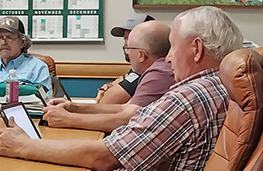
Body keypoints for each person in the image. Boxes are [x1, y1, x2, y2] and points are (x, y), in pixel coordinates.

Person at [0, 7, 243, 171]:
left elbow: (103, 156)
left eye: (173, 47)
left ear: (197, 49)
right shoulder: (219, 86)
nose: (167, 59)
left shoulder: (186, 99)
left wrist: (24, 146)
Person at [42, 20, 174, 133]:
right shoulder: (158, 69)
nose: (126, 53)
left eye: (128, 49)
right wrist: (75, 107)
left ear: (141, 55)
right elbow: (123, 107)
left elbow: (125, 118)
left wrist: (68, 119)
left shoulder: (159, 73)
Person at [96, 13, 155, 104]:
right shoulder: (138, 69)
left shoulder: (149, 73)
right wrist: (109, 86)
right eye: (125, 38)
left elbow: (106, 102)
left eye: (130, 38)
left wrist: (109, 92)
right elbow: (121, 82)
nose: (125, 44)